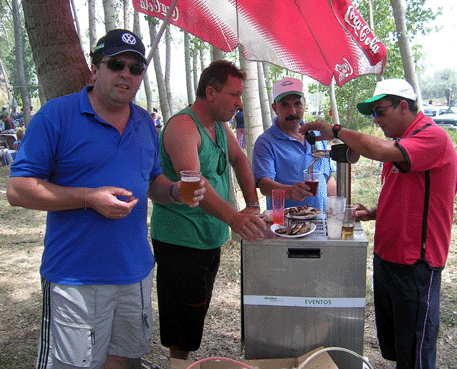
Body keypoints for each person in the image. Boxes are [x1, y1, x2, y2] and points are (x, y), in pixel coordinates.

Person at [6, 29, 206, 369]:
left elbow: (152, 181)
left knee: (123, 361)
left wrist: (173, 191)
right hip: (76, 276)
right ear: (95, 68)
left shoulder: (145, 122)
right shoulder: (57, 115)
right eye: (116, 64)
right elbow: (18, 189)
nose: (126, 74)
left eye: (135, 68)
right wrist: (89, 197)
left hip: (135, 271)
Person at [300, 79, 457, 369]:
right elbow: (408, 191)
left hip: (415, 263)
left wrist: (336, 131)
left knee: (416, 354)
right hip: (387, 257)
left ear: (402, 106)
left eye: (380, 112)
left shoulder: (432, 137)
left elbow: (382, 151)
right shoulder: (403, 144)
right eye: (372, 114)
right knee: (399, 347)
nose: (376, 120)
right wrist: (372, 212)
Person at [150, 60, 267, 360]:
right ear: (211, 92)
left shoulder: (218, 125)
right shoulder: (183, 126)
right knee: (182, 327)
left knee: (196, 313)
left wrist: (251, 206)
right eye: (234, 95)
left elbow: (240, 159)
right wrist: (235, 219)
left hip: (209, 236)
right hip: (181, 238)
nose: (240, 103)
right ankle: (177, 365)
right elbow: (194, 183)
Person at [252, 77, 336, 212]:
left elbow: (328, 177)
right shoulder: (266, 142)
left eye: (297, 104)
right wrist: (289, 191)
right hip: (286, 227)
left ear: (304, 104)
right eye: (284, 105)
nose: (293, 112)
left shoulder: (318, 135)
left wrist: (335, 208)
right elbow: (264, 186)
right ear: (274, 108)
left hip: (320, 221)